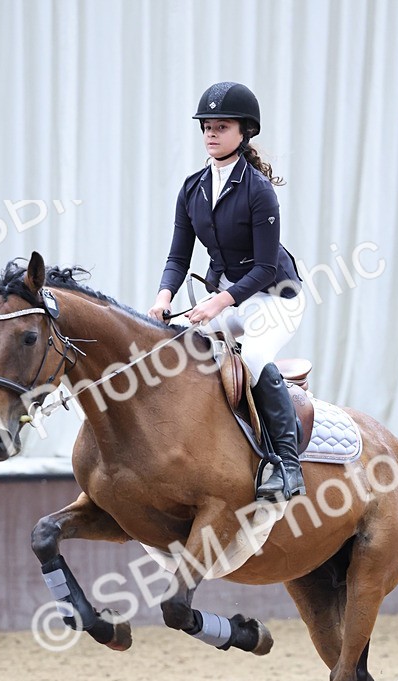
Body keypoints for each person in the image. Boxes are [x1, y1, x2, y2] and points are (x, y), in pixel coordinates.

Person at [148, 81, 306, 501]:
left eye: (221, 126)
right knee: (183, 353)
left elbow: (265, 267)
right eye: (206, 127)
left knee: (252, 357)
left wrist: (217, 301)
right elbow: (178, 257)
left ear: (244, 132)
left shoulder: (258, 191)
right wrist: (164, 298)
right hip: (228, 298)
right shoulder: (192, 188)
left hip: (275, 297)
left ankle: (287, 467)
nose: (211, 134)